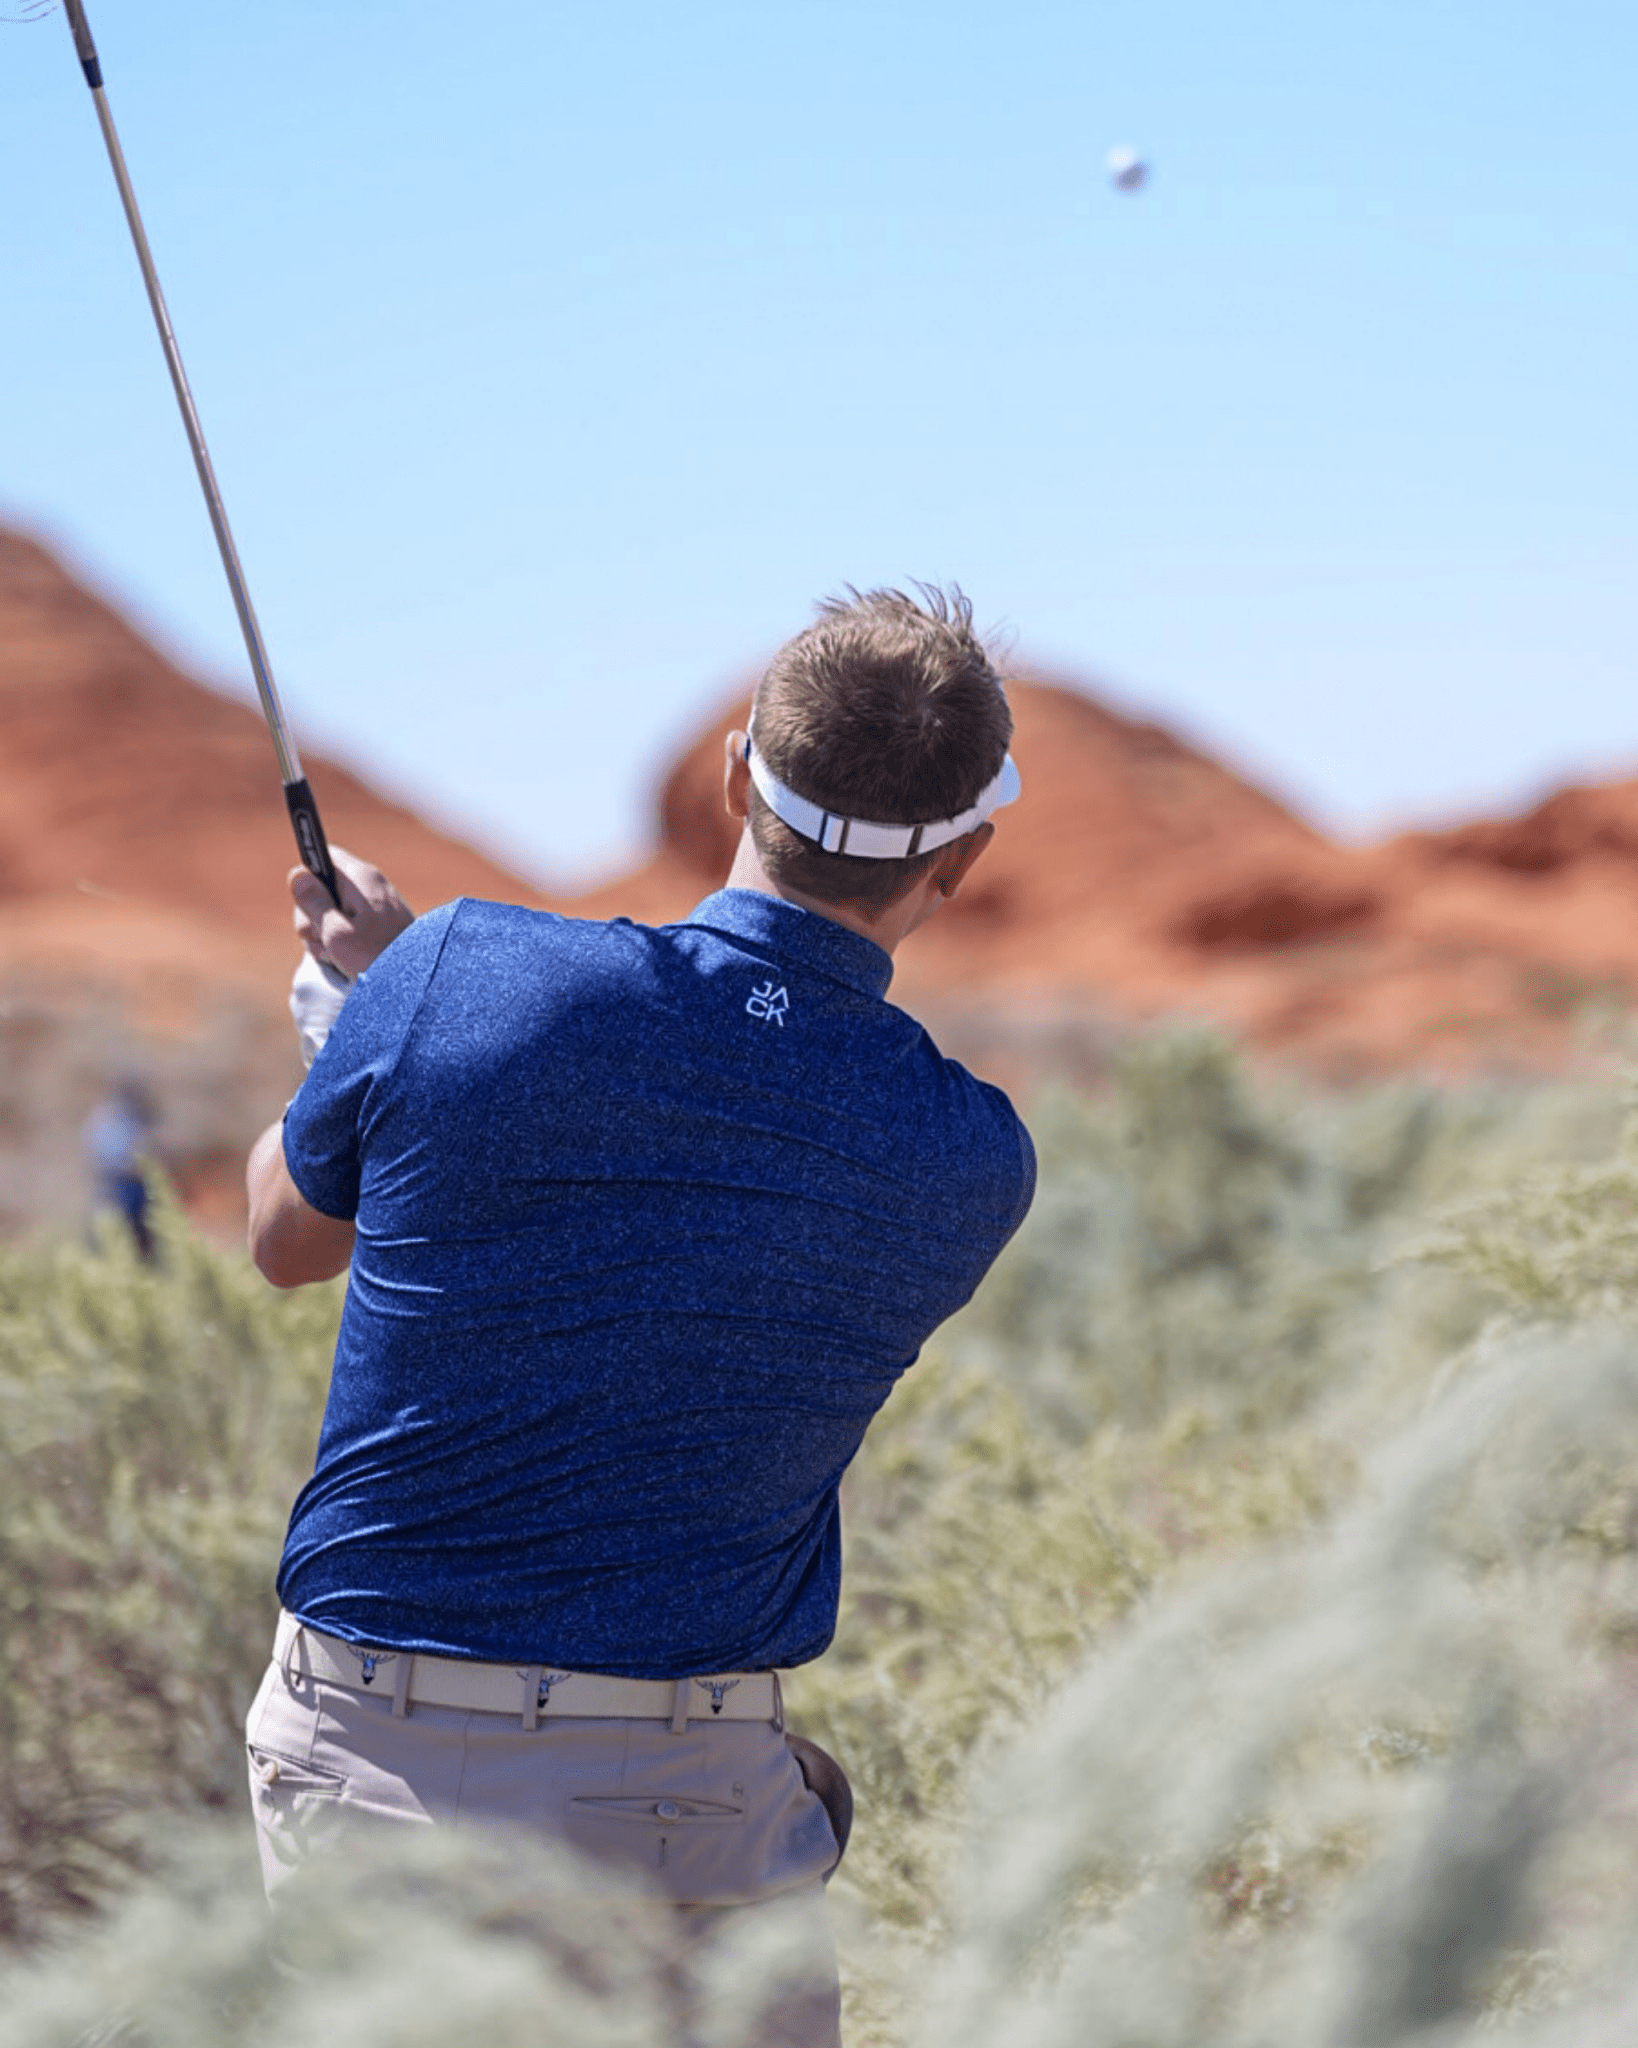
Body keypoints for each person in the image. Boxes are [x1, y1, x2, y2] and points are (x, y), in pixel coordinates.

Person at [242, 584, 1036, 2045]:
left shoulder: (457, 972)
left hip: (380, 1768)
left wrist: (362, 1018)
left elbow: (283, 1239)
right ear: (965, 859)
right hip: (696, 1811)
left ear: (734, 772)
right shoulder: (968, 1153)